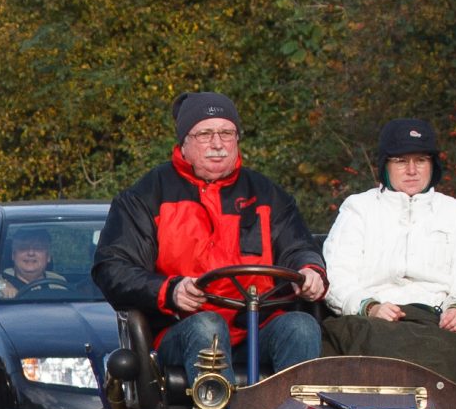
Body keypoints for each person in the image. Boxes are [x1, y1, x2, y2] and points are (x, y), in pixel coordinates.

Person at [92, 91, 328, 382]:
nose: (218, 144)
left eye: (226, 133)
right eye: (205, 134)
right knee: (209, 328)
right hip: (184, 329)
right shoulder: (146, 196)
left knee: (302, 327)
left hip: (257, 326)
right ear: (184, 143)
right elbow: (112, 268)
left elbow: (297, 247)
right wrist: (170, 290)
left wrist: (310, 269)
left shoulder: (268, 195)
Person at [319, 117, 456, 391]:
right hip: (373, 319)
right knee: (362, 342)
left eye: (421, 160)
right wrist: (369, 306)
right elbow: (336, 275)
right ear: (385, 166)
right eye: (401, 161)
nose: (412, 170)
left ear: (433, 166)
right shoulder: (358, 209)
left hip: (436, 319)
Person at [0, 226, 70, 300]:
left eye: (38, 248)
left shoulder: (58, 282)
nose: (31, 253)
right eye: (23, 248)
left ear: (48, 257)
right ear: (13, 255)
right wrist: (2, 285)